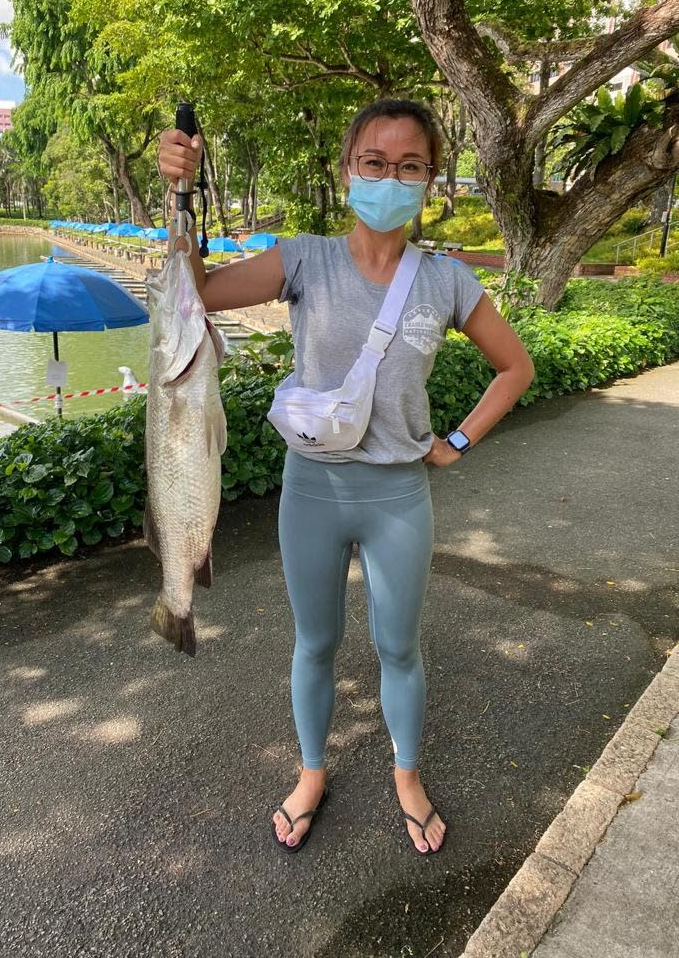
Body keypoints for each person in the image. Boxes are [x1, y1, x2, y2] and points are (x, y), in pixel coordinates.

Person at [158, 99, 535, 856]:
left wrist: (456, 440)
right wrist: (179, 198)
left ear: (431, 180)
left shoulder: (447, 280)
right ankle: (310, 771)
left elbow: (515, 367)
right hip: (313, 492)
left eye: (409, 166)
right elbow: (192, 290)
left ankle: (405, 775)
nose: (390, 177)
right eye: (374, 162)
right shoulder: (304, 259)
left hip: (399, 495)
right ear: (347, 171)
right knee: (316, 643)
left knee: (399, 647)